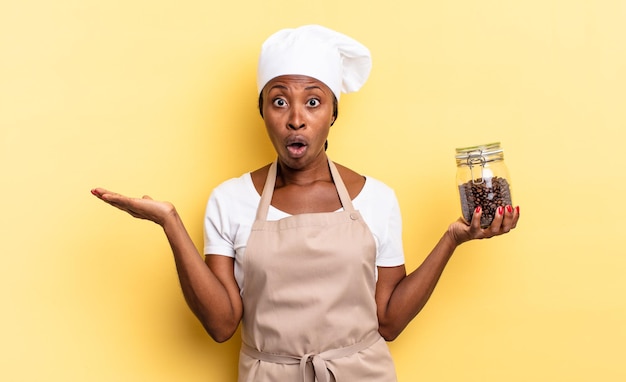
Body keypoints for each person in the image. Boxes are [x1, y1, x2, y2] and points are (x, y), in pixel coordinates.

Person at [91, 24, 520, 382]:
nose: (296, 118)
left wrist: (452, 238)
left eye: (313, 101)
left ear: (334, 112)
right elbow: (222, 326)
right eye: (279, 101)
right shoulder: (230, 200)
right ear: (262, 110)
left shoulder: (377, 198)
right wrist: (171, 224)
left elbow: (388, 320)